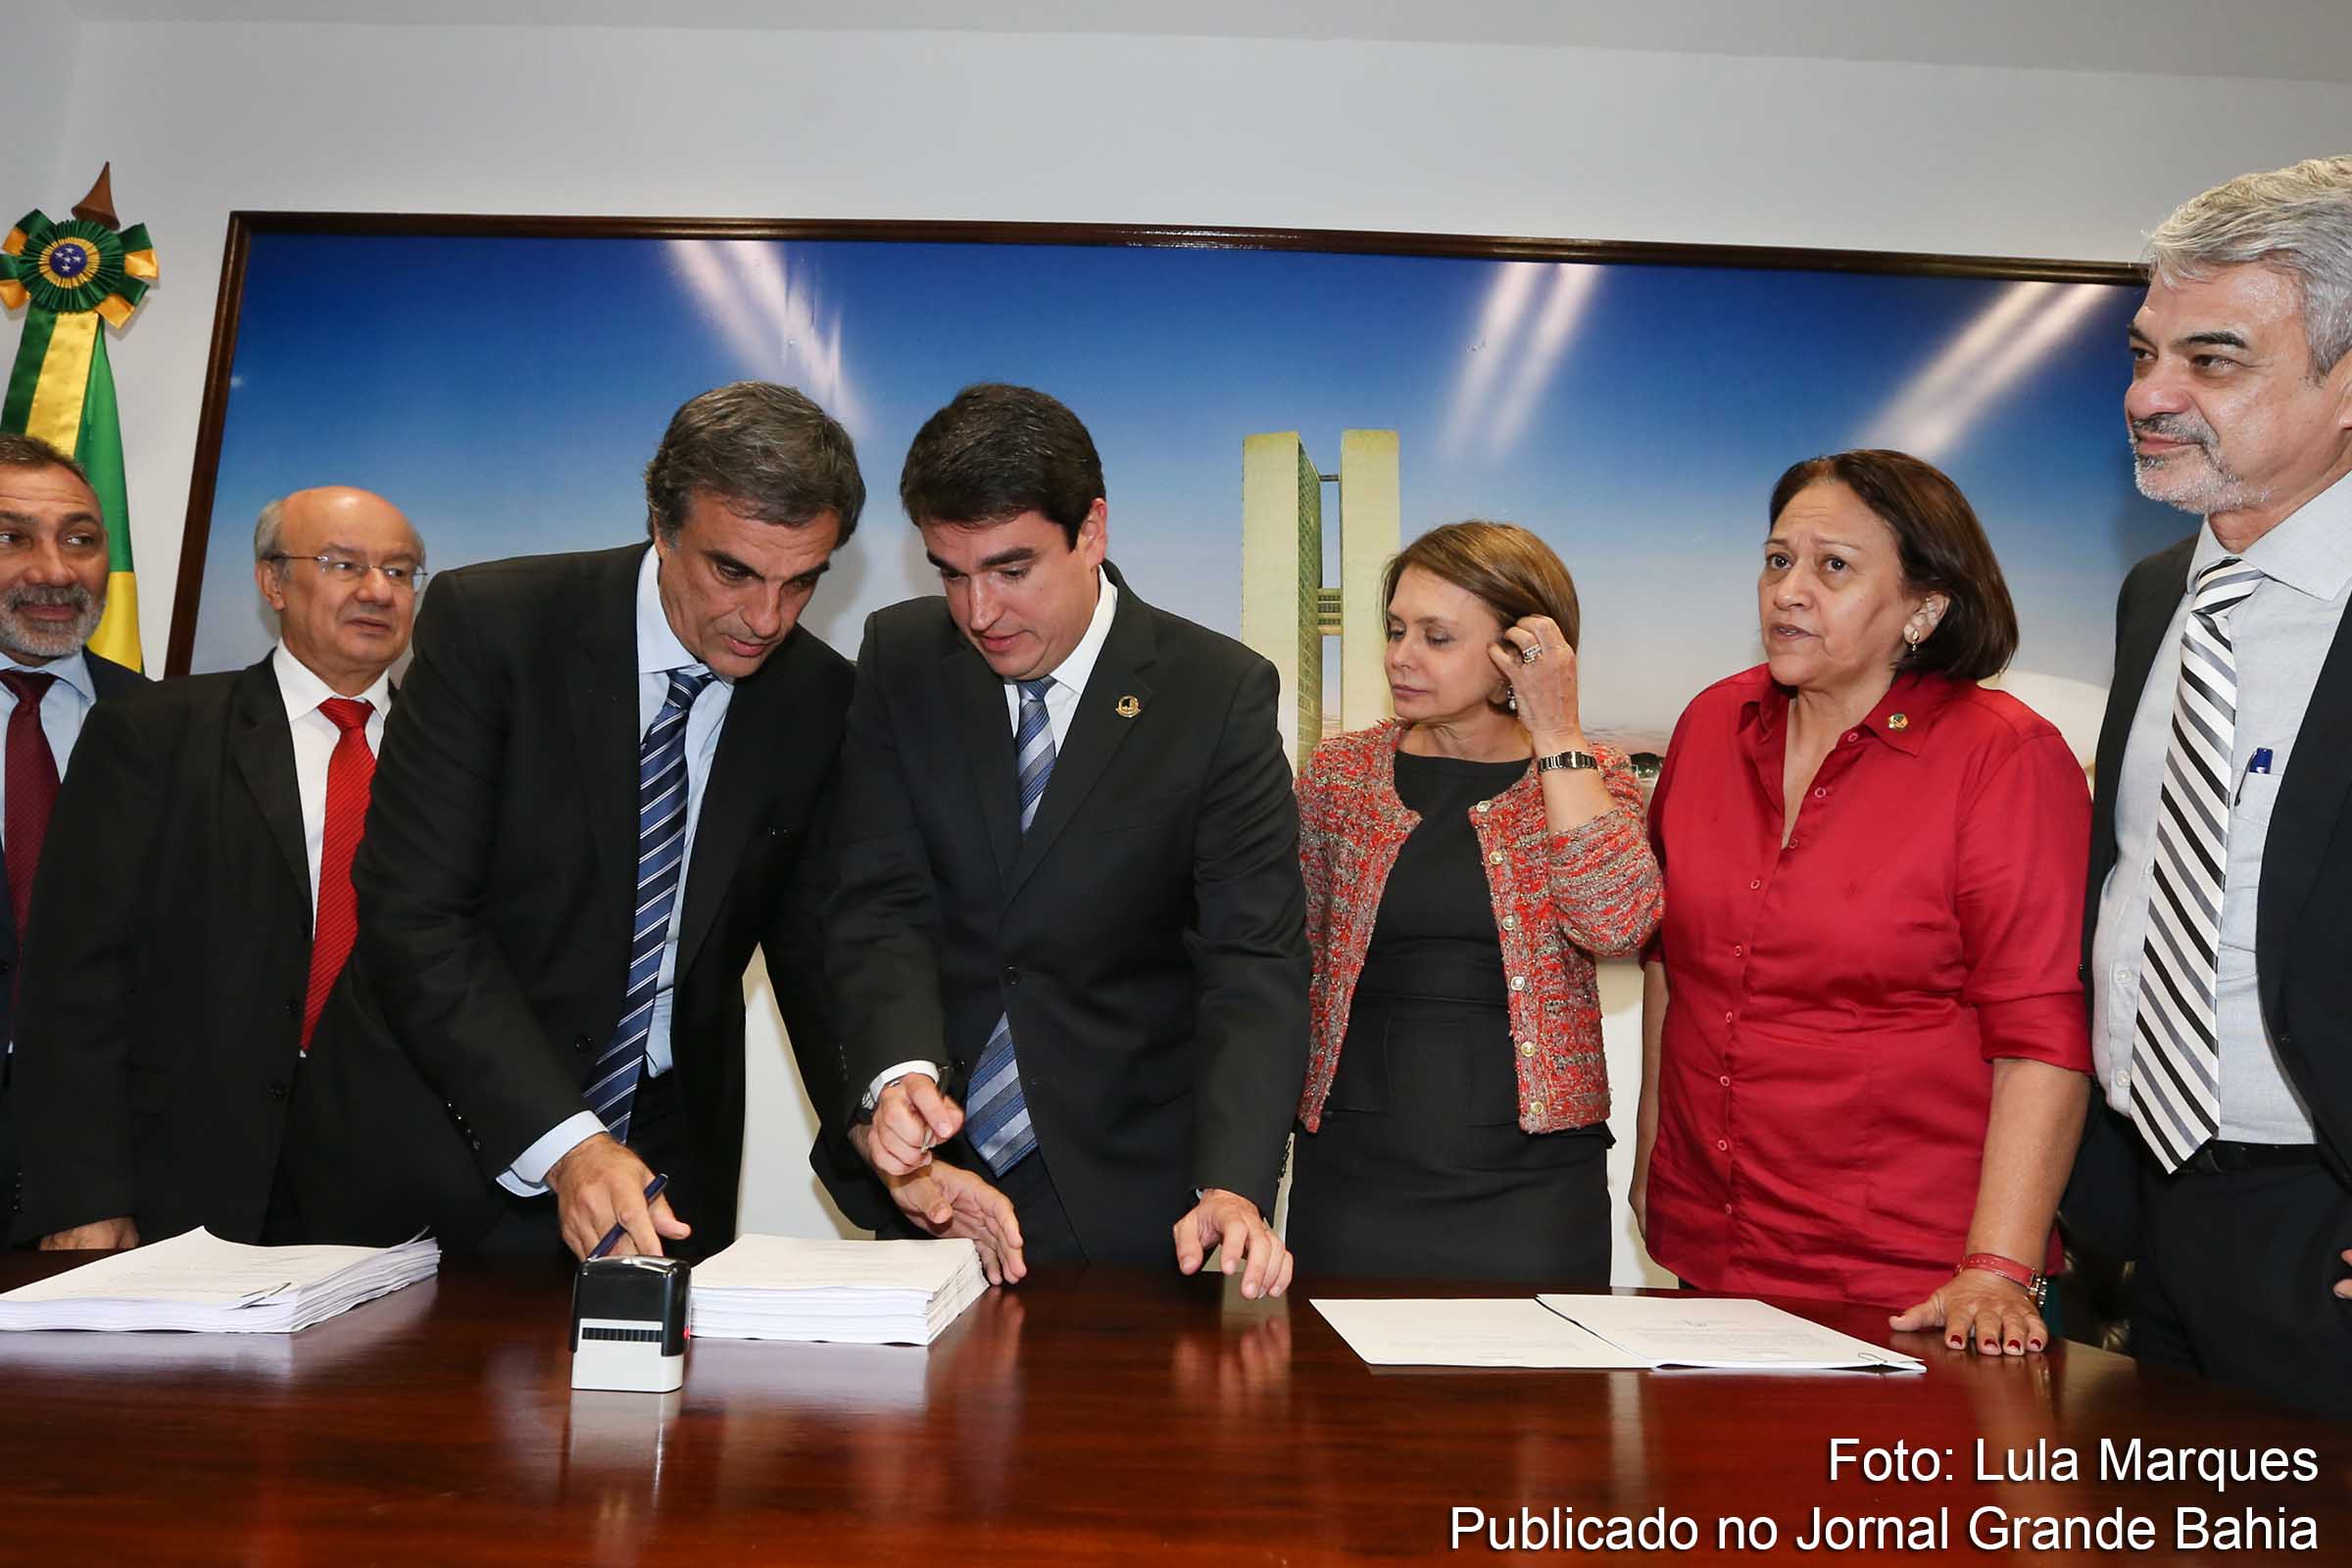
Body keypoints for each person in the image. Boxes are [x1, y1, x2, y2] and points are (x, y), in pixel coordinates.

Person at [283, 382, 884, 1258]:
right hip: (445, 1141)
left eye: (802, 583)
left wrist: (879, 1122)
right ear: (661, 521)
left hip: (671, 1155)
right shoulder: (496, 627)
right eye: (734, 572)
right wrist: (568, 1144)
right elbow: (415, 917)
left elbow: (813, 947)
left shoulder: (816, 694)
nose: (765, 620)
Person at [826, 383, 1308, 1296]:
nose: (979, 613)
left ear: (1091, 531)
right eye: (950, 572)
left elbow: (1252, 960)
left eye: (1011, 570)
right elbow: (880, 899)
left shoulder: (1215, 693)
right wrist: (898, 1075)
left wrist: (1236, 1185)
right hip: (939, 1182)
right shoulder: (902, 658)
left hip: (1143, 1200)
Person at [1638, 449, 2091, 1355]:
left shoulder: (2004, 758)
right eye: (1777, 561)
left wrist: (1997, 1266)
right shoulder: (1710, 724)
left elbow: (2041, 1033)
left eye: (1833, 567)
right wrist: (1656, 1169)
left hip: (1917, 1279)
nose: (1788, 592)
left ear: (1926, 607)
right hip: (1714, 1252)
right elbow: (1671, 966)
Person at [2063, 156, 2352, 1417]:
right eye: (2142, 352)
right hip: (2150, 1214)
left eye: (2213, 362)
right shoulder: (2153, 599)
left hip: (2322, 1228)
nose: (2147, 396)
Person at [13, 488, 422, 1248]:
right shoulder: (153, 732)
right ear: (273, 583)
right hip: (185, 1183)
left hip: (399, 1193)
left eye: (401, 572)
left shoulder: (454, 753)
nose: (377, 590)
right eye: (344, 565)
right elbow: (74, 982)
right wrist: (83, 1194)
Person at [1289, 521, 1661, 1281]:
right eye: (1396, 629)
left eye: (1436, 636)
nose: (1400, 655)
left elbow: (1617, 922)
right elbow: (1285, 959)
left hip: (1531, 1187)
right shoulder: (1339, 775)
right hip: (1354, 1177)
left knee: (1532, 1401)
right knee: (1339, 1401)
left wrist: (1556, 727)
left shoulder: (1590, 775)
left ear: (1515, 655)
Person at [0, 434, 143, 1231]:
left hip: (105, 1182)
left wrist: (100, 1188)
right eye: (10, 536)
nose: (54, 571)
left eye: (80, 540)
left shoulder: (169, 728)